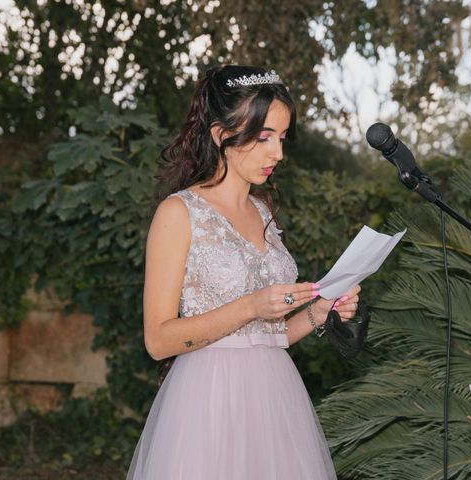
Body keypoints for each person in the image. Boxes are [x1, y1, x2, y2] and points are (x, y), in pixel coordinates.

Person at [126, 65, 361, 480]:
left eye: (282, 138)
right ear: (221, 135)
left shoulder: (263, 211)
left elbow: (274, 335)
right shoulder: (179, 213)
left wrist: (320, 311)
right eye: (264, 137)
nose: (278, 154)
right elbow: (158, 340)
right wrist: (251, 305)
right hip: (207, 407)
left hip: (276, 401)